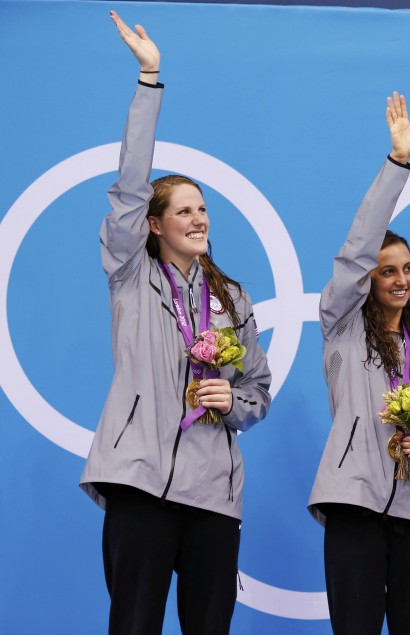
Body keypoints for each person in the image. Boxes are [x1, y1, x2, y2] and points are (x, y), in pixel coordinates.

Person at [80, 12, 272, 635]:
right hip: (140, 486)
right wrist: (149, 79)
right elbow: (128, 188)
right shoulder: (129, 274)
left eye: (204, 208)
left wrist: (233, 399)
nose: (199, 218)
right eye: (183, 210)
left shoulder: (233, 297)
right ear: (154, 224)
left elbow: (258, 391)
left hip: (213, 494)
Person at [307, 92, 410, 635]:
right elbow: (356, 248)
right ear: (367, 280)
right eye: (386, 271)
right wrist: (398, 163)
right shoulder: (343, 325)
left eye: (406, 268)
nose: (400, 279)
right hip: (355, 505)